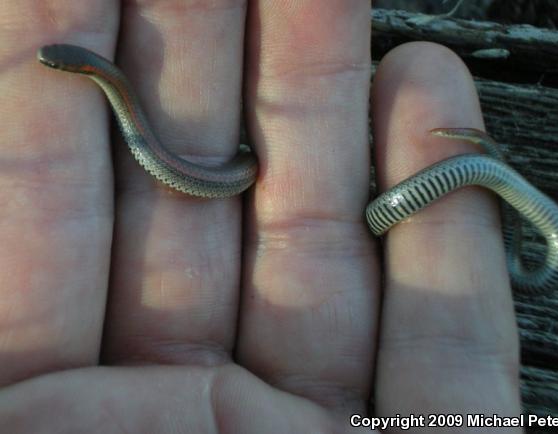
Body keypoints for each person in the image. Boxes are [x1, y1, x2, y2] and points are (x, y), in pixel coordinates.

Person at [0, 2, 523, 432]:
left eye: (53, 65)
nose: (48, 67)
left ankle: (499, 208)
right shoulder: (115, 93)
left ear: (80, 69)